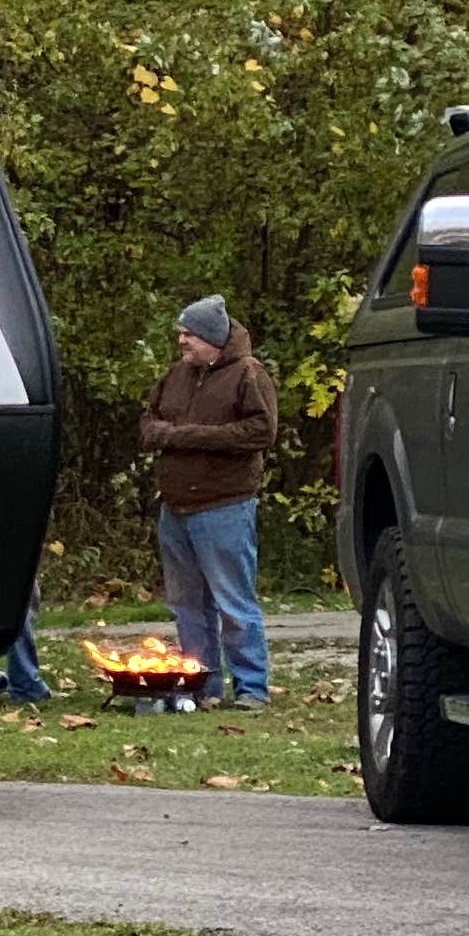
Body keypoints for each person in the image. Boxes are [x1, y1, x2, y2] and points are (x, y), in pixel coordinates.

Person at [143, 294, 276, 703]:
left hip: (225, 507)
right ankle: (201, 685)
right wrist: (167, 434)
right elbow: (148, 424)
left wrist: (187, 436)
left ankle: (251, 688)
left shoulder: (248, 374)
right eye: (181, 333)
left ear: (213, 338)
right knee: (186, 607)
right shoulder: (175, 375)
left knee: (234, 604)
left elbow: (262, 432)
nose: (182, 341)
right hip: (175, 508)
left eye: (190, 334)